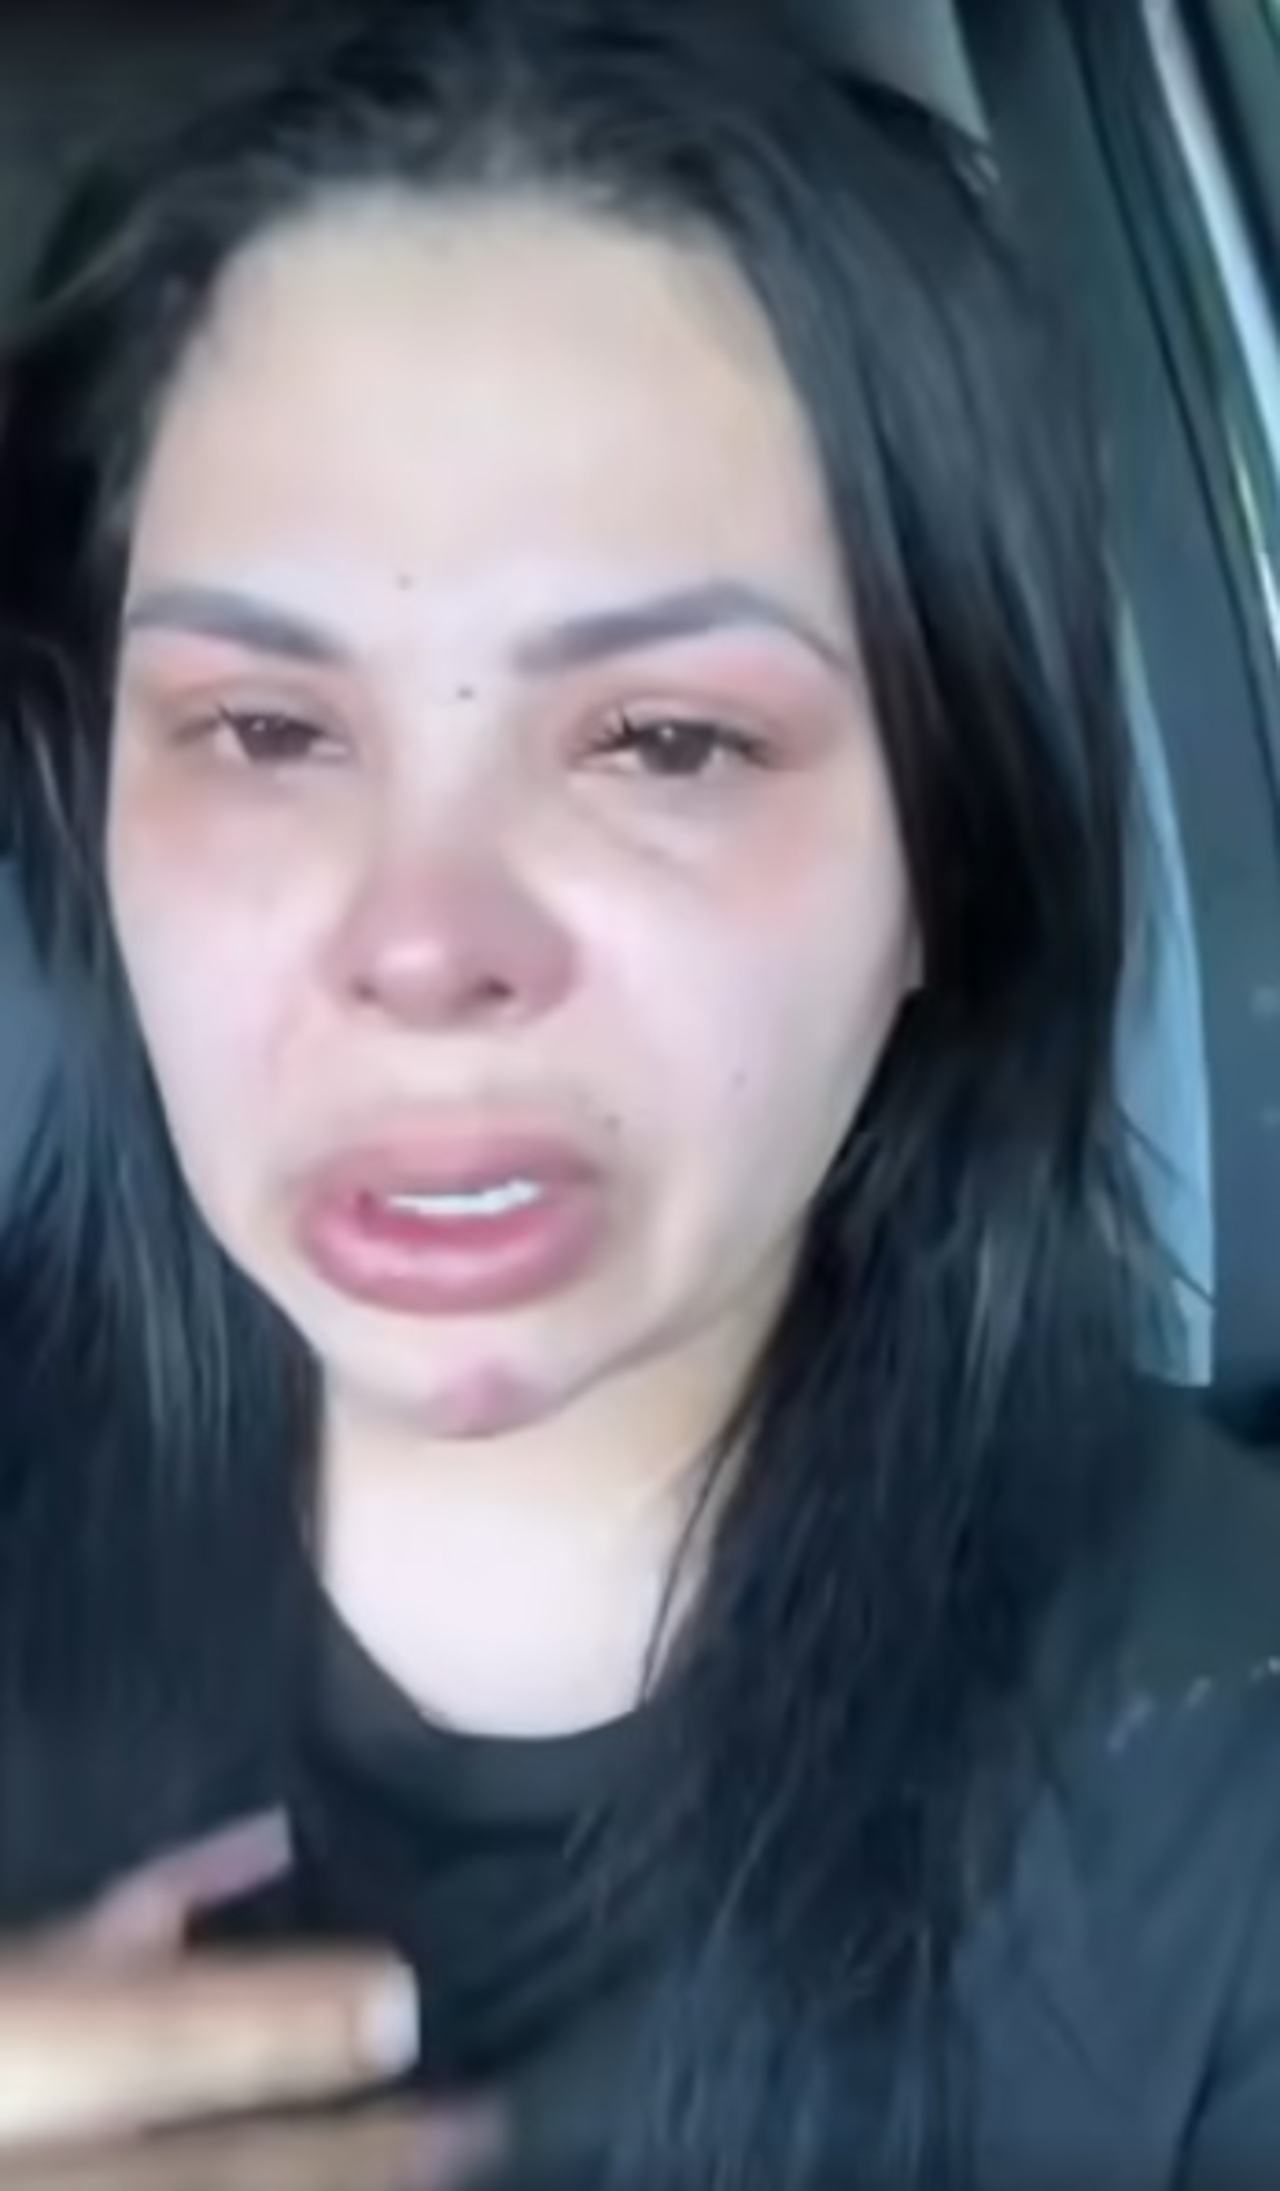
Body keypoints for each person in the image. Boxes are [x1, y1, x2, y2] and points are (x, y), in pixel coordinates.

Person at [1, 0, 1279, 2184]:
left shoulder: (1225, 1776)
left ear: (947, 856)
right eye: (266, 731)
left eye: (667, 741)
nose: (423, 942)